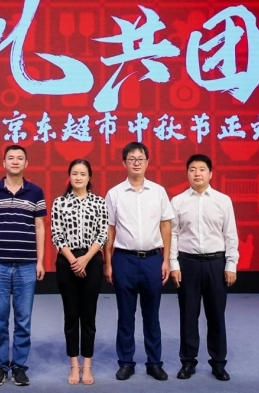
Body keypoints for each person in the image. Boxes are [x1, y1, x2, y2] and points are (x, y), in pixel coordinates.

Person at [104, 142, 174, 382]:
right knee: (125, 315)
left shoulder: (158, 191)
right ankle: (126, 362)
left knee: (152, 315)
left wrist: (166, 260)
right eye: (131, 159)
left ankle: (154, 363)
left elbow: (166, 226)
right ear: (124, 163)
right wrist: (108, 262)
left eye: (140, 158)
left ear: (147, 162)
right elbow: (109, 229)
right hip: (124, 259)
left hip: (153, 259)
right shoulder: (114, 193)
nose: (136, 162)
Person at [0, 145, 46, 387]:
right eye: (11, 158)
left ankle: (19, 367)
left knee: (23, 319)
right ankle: (0, 367)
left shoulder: (35, 192)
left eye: (20, 158)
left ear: (26, 163)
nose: (15, 161)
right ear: (4, 163)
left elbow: (40, 227)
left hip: (27, 265)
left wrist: (40, 261)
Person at [170, 154, 239, 382]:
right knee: (188, 316)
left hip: (215, 264)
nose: (197, 173)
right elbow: (173, 235)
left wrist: (231, 265)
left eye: (201, 169)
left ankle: (218, 364)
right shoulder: (178, 201)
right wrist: (174, 264)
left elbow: (230, 235)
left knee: (216, 315)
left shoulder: (223, 201)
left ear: (210, 173)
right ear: (187, 173)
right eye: (192, 169)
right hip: (187, 263)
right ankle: (188, 363)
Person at [51, 159, 109, 386]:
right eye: (74, 173)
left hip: (92, 260)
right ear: (70, 176)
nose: (78, 177)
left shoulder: (99, 202)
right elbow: (57, 235)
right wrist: (73, 260)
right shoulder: (60, 203)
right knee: (71, 314)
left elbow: (102, 234)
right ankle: (74, 364)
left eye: (83, 174)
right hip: (67, 261)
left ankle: (88, 364)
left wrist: (85, 259)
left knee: (88, 314)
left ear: (89, 177)